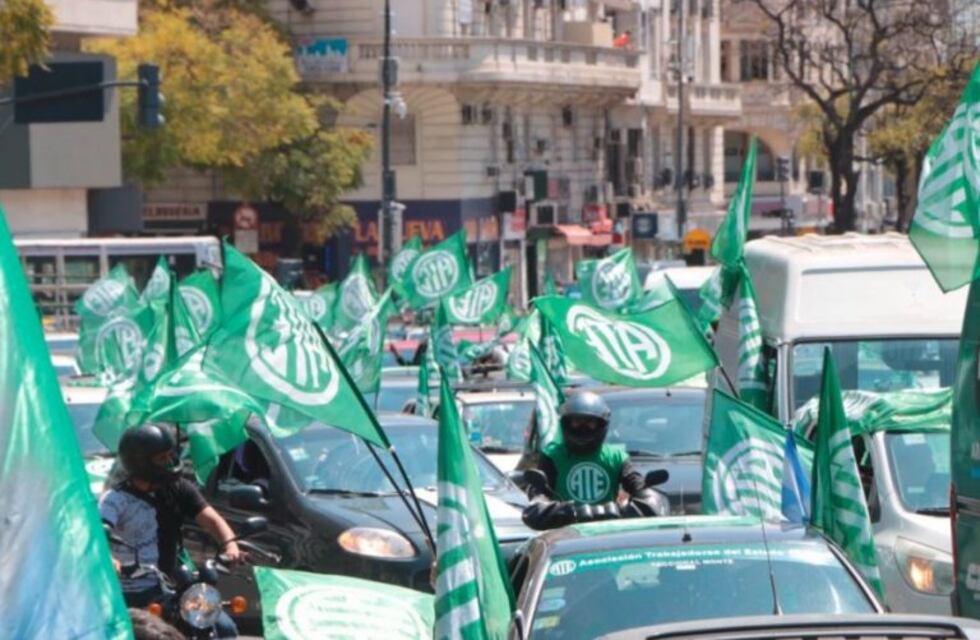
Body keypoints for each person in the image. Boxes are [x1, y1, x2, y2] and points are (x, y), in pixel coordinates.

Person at [99, 424, 242, 637]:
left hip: (173, 586)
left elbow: (212, 520)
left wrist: (230, 545)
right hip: (132, 591)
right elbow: (98, 533)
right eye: (161, 458)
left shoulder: (179, 488)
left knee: (223, 628)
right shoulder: (115, 500)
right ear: (140, 462)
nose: (169, 462)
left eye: (170, 455)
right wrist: (108, 558)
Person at [522, 391, 668, 530]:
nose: (583, 428)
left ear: (602, 425)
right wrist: (553, 507)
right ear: (566, 423)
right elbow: (538, 497)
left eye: (590, 423)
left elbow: (637, 485)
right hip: (564, 533)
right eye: (577, 422)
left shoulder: (616, 457)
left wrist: (645, 495)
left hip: (605, 533)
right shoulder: (552, 455)